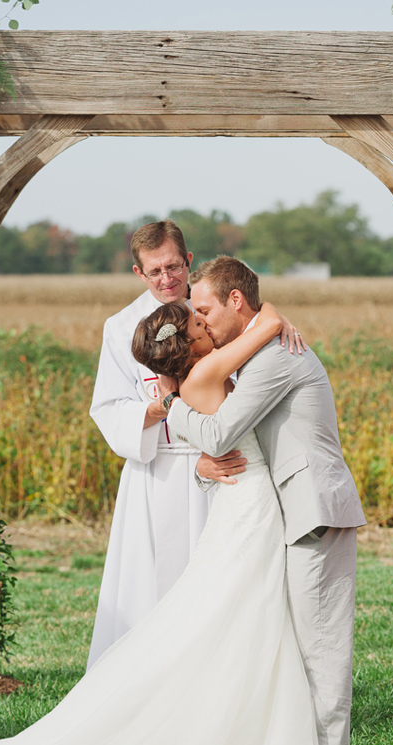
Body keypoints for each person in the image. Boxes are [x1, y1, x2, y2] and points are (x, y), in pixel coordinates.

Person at [0, 300, 322, 745]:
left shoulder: (188, 379)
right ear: (188, 345)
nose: (210, 327)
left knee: (239, 616)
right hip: (249, 509)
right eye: (201, 324)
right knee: (245, 616)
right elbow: (266, 321)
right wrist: (271, 317)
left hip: (245, 506)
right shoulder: (208, 370)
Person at [164, 257, 366, 745]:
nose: (199, 321)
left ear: (236, 302)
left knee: (321, 650)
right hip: (285, 513)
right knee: (296, 647)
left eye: (203, 309)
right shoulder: (258, 347)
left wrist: (167, 405)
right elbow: (238, 451)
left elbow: (224, 428)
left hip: (313, 512)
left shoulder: (275, 355)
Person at [86, 220, 243, 668]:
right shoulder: (120, 329)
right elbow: (109, 408)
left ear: (189, 262)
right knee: (156, 590)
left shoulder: (212, 309)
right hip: (158, 470)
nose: (166, 279)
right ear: (138, 273)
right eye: (154, 272)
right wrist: (162, 408)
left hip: (220, 461)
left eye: (173, 267)